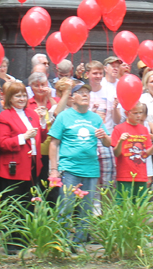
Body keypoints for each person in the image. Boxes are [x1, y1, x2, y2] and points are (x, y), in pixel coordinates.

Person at [48, 82, 111, 243]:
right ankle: (61, 241)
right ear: (72, 97)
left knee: (86, 209)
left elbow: (108, 143)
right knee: (66, 206)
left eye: (87, 93)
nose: (85, 95)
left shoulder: (95, 118)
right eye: (81, 92)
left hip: (90, 169)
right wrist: (54, 169)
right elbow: (53, 143)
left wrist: (103, 136)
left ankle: (80, 242)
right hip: (69, 168)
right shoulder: (64, 116)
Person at [0, 82, 47, 253]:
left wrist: (44, 122)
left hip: (31, 165)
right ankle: (12, 244)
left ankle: (24, 240)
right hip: (13, 168)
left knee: (28, 204)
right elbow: (2, 143)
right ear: (9, 98)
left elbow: (42, 138)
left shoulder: (31, 113)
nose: (22, 99)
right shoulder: (4, 116)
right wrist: (22, 137)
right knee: (13, 204)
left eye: (24, 95)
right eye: (17, 96)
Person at [111, 102, 153, 202]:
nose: (139, 116)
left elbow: (146, 154)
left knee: (140, 205)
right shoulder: (119, 129)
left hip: (141, 174)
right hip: (124, 175)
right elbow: (116, 153)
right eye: (135, 113)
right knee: (123, 204)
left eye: (140, 113)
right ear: (127, 113)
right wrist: (121, 141)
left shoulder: (144, 129)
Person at [86, 61, 116, 191]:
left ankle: (106, 210)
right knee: (89, 178)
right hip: (88, 139)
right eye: (94, 73)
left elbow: (116, 119)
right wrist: (91, 113)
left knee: (107, 181)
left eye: (100, 73)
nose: (98, 76)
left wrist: (115, 109)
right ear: (87, 75)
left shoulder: (110, 91)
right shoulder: (83, 92)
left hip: (106, 136)